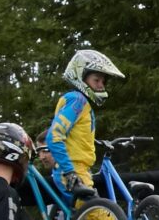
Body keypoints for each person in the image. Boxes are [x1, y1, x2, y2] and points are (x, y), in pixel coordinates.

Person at [43, 47, 123, 192]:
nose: (101, 85)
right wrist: (69, 171)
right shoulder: (77, 100)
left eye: (103, 82)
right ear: (81, 77)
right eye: (96, 80)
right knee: (101, 215)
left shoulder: (82, 104)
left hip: (80, 170)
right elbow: (54, 136)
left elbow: (76, 137)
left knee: (101, 212)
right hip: (71, 171)